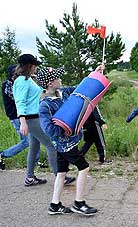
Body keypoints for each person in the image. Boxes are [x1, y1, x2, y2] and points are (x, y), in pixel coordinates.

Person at [38, 66, 99, 215]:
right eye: (57, 77)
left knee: (61, 173)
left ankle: (55, 205)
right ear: (50, 83)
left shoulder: (63, 92)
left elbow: (80, 88)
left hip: (67, 143)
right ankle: (79, 203)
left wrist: (94, 74)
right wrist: (66, 128)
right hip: (64, 145)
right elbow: (50, 130)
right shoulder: (44, 105)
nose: (60, 79)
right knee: (84, 167)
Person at [13, 54, 75, 186]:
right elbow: (20, 102)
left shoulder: (27, 79)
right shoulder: (22, 81)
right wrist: (23, 122)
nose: (36, 67)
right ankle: (60, 177)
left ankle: (29, 178)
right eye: (34, 65)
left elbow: (35, 94)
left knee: (34, 148)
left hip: (34, 118)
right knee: (52, 146)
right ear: (29, 66)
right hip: (32, 119)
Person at [1, 65, 40, 170]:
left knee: (35, 137)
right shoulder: (8, 84)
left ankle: (37, 161)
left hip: (24, 115)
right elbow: (19, 98)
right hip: (16, 116)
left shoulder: (21, 82)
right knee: (27, 141)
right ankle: (2, 155)